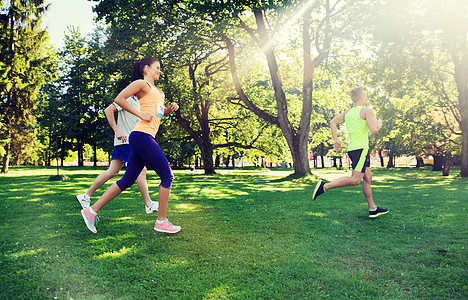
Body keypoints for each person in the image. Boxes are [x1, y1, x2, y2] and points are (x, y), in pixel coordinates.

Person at [81, 57, 181, 234]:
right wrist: (140, 114)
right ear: (146, 68)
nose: (160, 71)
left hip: (142, 136)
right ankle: (161, 221)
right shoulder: (142, 84)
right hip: (141, 136)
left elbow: (158, 114)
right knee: (167, 176)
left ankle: (91, 211)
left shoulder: (158, 91)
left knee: (127, 180)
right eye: (157, 68)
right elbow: (119, 99)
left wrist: (169, 109)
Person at [312, 87, 389, 218]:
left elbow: (332, 122)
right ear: (361, 98)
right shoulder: (366, 111)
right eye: (365, 95)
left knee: (368, 178)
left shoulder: (348, 113)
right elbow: (374, 129)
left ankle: (373, 209)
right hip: (361, 149)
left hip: (355, 148)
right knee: (355, 180)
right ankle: (324, 186)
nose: (367, 97)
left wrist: (336, 140)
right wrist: (379, 123)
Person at [75, 95, 158, 214]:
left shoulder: (142, 102)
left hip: (124, 141)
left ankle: (85, 196)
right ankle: (148, 204)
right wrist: (116, 130)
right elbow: (108, 110)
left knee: (112, 171)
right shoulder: (129, 99)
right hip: (126, 140)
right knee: (141, 170)